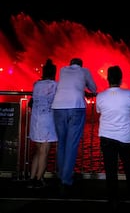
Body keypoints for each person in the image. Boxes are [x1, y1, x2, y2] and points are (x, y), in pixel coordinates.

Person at [96, 65, 130, 209]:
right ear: (121, 79)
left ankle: (113, 198)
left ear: (108, 79)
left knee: (110, 168)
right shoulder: (129, 94)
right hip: (125, 137)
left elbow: (99, 111)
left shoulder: (100, 96)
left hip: (106, 136)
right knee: (129, 167)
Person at [51, 58, 97, 193]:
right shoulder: (84, 71)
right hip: (76, 107)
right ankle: (66, 179)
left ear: (70, 64)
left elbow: (67, 86)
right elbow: (94, 88)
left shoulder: (63, 70)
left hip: (58, 107)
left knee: (62, 143)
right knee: (72, 144)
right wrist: (86, 91)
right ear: (81, 65)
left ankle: (61, 175)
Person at [27, 59, 58, 188]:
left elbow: (32, 101)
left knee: (38, 150)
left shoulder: (36, 84)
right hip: (48, 121)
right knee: (45, 151)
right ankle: (39, 180)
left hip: (35, 120)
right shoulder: (56, 85)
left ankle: (32, 178)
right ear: (54, 73)